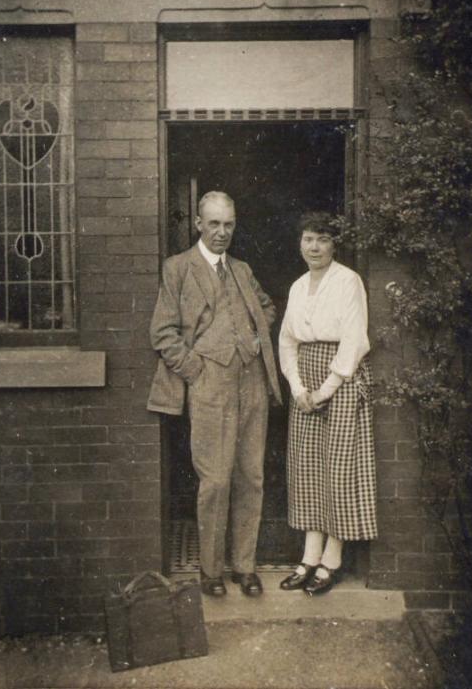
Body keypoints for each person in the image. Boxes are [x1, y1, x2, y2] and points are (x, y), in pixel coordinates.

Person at [147, 191, 282, 598]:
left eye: (229, 225)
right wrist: (196, 370)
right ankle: (210, 571)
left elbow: (267, 307)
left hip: (252, 382)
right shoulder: (178, 268)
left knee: (251, 477)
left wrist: (257, 338)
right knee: (215, 480)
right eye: (215, 224)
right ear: (199, 224)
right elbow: (162, 333)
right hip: (211, 386)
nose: (222, 232)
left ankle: (244, 566)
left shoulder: (242, 269)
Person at [278, 211, 377, 595]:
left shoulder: (348, 281)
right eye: (307, 239)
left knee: (337, 467)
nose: (314, 247)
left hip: (341, 380)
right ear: (300, 243)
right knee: (307, 468)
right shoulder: (298, 286)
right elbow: (288, 341)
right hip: (306, 382)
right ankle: (308, 556)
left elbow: (353, 341)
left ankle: (331, 560)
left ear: (334, 244)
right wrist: (298, 387)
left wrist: (325, 389)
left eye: (322, 239)